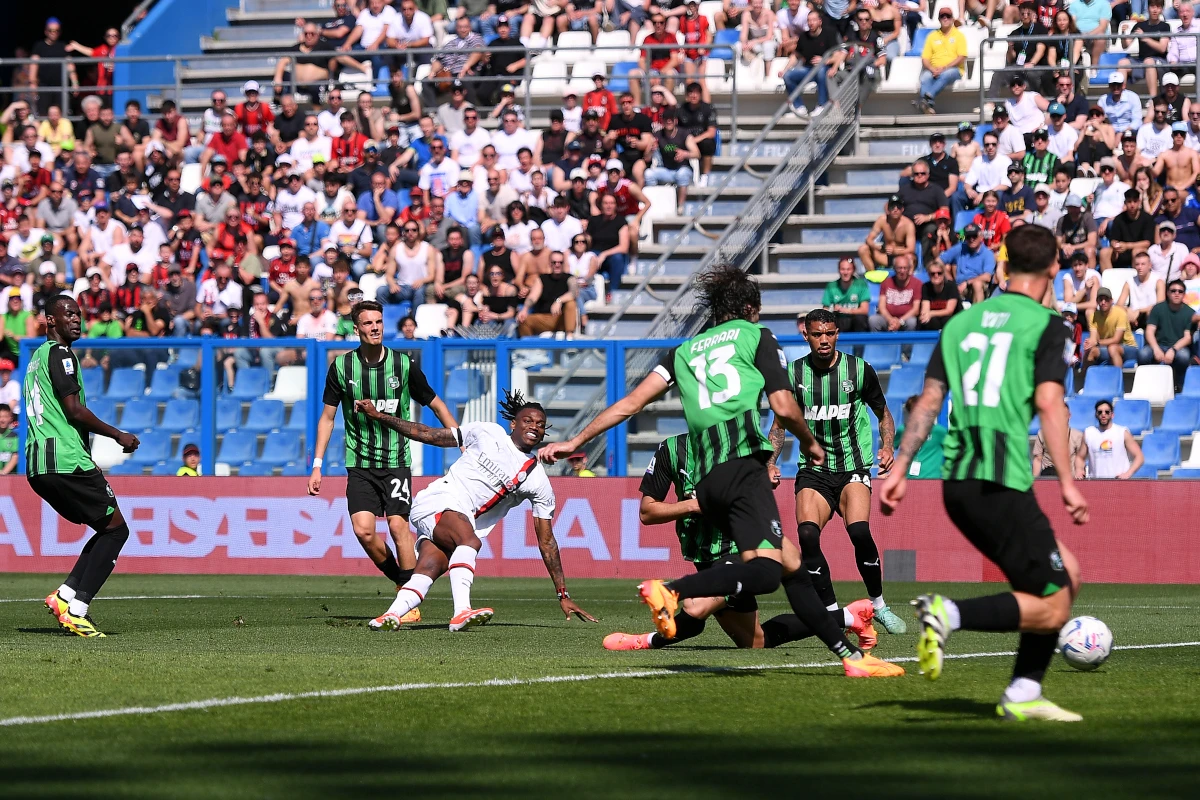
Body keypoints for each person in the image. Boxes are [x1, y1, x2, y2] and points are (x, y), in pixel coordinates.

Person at [539, 266, 904, 678]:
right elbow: (784, 407)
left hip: (709, 477)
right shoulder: (757, 336)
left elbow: (630, 404)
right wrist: (809, 441)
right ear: (751, 308)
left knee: (793, 569)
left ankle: (852, 658)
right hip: (744, 467)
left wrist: (575, 441)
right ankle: (671, 590)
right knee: (766, 573)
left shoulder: (683, 352)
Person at [881, 224, 1089, 722]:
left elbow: (929, 401)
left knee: (1066, 576)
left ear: (1003, 266)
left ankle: (1023, 692)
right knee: (1056, 605)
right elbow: (1050, 403)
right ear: (1053, 268)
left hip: (959, 482)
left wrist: (900, 467)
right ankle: (948, 613)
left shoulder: (959, 324)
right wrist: (1065, 481)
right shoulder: (1048, 325)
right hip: (1001, 480)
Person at [364, 389, 597, 631]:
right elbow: (430, 434)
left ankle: (387, 617)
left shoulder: (537, 480)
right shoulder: (488, 432)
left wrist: (562, 592)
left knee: (429, 569)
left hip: (453, 520)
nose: (534, 427)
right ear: (513, 423)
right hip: (436, 501)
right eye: (528, 421)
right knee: (470, 542)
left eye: (540, 424)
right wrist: (381, 417)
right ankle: (461, 611)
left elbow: (547, 542)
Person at [766, 307, 908, 635]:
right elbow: (779, 426)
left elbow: (884, 414)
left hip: (852, 467)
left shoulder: (858, 370)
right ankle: (834, 614)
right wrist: (770, 462)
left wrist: (888, 446)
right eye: (817, 335)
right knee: (806, 535)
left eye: (830, 334)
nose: (824, 340)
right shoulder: (794, 376)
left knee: (859, 532)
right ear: (806, 335)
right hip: (813, 471)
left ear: (837, 334)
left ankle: (879, 605)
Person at [308, 300, 458, 611]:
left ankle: (410, 606)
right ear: (356, 328)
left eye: (378, 322)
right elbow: (327, 418)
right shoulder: (341, 367)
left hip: (395, 462)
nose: (375, 327)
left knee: (398, 526)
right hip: (359, 463)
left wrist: (460, 438)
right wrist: (317, 465)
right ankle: (407, 583)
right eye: (367, 323)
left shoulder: (403, 365)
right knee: (363, 530)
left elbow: (436, 404)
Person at [32, 296, 141, 638]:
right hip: (65, 460)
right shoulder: (60, 354)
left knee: (106, 527)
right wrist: (116, 434)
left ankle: (63, 597)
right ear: (50, 320)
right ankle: (77, 610)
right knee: (117, 530)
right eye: (68, 315)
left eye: (79, 315)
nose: (76, 320)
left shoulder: (35, 359)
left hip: (38, 464)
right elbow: (73, 410)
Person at [1139, 279, 1196, 392]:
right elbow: (1149, 331)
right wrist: (1156, 349)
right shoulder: (1158, 308)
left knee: (1183, 356)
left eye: (1180, 291)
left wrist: (1173, 350)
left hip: (1178, 348)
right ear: (1168, 293)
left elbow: (1187, 337)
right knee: (1143, 354)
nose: (1176, 293)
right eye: (1173, 290)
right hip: (1158, 345)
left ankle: (1179, 387)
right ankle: (1148, 386)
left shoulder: (1190, 312)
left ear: (1184, 294)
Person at [916, 8, 966, 116]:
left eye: (948, 16)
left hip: (953, 69)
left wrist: (945, 67)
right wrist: (932, 69)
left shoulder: (959, 35)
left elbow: (961, 57)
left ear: (952, 19)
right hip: (934, 69)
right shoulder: (932, 36)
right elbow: (925, 58)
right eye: (942, 16)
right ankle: (928, 107)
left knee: (946, 74)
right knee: (925, 77)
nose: (945, 19)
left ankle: (926, 98)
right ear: (939, 19)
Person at [1084, 399, 1144, 479]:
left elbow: (1139, 457)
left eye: (1107, 412)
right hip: (1096, 483)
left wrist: (1128, 474)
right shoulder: (1089, 433)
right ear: (1096, 415)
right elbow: (1079, 457)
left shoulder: (1122, 432)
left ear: (1112, 415)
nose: (1103, 414)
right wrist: (1079, 470)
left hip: (1118, 482)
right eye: (1100, 412)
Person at [1084, 287, 1139, 369]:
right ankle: (1086, 378)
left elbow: (1116, 339)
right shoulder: (1094, 316)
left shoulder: (1120, 313)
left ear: (1111, 301)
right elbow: (1093, 337)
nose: (1103, 302)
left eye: (1106, 299)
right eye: (1100, 299)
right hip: (1107, 347)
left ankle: (1118, 378)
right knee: (1091, 351)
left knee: (1113, 348)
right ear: (1097, 301)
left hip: (1128, 347)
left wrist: (1097, 343)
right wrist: (1089, 343)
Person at [859, 195, 915, 269]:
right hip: (885, 255)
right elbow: (869, 239)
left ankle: (908, 279)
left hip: (900, 256)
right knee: (863, 249)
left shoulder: (908, 224)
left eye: (898, 207)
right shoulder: (882, 220)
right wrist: (875, 246)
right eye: (892, 207)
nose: (895, 209)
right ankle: (873, 276)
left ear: (902, 209)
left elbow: (911, 249)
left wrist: (895, 251)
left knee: (910, 257)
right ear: (888, 209)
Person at [868, 254, 922, 332]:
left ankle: (908, 344)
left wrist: (900, 321)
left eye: (905, 268)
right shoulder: (886, 283)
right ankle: (878, 343)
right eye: (899, 268)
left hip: (906, 319)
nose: (902, 271)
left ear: (909, 269)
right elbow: (881, 307)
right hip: (888, 318)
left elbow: (916, 309)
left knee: (912, 321)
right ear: (894, 268)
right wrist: (890, 320)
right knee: (873, 320)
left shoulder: (917, 284)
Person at [1117, 251, 1166, 329]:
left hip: (1149, 314)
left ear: (1150, 265)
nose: (1140, 267)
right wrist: (1127, 310)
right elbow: (1119, 305)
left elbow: (1160, 305)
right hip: (1133, 316)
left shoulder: (1158, 281)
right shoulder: (1130, 282)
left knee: (1152, 313)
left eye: (1143, 264)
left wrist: (1139, 311)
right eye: (1137, 264)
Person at [821, 256, 871, 332]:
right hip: (839, 319)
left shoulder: (861, 284)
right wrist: (833, 309)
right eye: (843, 269)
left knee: (861, 318)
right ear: (839, 270)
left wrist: (846, 310)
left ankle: (860, 343)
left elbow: (864, 310)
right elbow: (825, 309)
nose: (845, 272)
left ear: (853, 270)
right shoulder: (831, 286)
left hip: (854, 319)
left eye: (848, 269)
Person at [918, 260, 960, 330]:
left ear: (944, 274)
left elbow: (949, 311)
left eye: (939, 273)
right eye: (932, 273)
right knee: (926, 321)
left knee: (947, 320)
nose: (936, 276)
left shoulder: (951, 286)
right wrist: (925, 315)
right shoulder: (926, 287)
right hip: (934, 320)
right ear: (928, 275)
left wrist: (931, 313)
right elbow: (925, 309)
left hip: (950, 318)